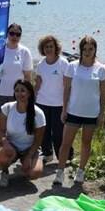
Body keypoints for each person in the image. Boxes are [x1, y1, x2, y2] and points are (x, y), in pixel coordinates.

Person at [53, 36, 105, 186]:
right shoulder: (72, 66)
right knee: (65, 143)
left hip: (91, 112)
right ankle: (60, 172)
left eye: (91, 49)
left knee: (86, 142)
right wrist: (64, 109)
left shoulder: (101, 69)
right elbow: (67, 90)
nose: (88, 52)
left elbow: (103, 94)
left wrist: (102, 114)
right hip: (73, 111)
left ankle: (81, 171)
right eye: (85, 49)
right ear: (81, 50)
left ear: (95, 50)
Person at [0, 23, 33, 145]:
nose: (14, 36)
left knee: (12, 124)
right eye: (12, 33)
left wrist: (27, 95)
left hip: (16, 95)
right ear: (7, 34)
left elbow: (27, 76)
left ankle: (9, 149)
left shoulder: (24, 52)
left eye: (18, 34)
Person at [0, 80, 46, 187]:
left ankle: (26, 168)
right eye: (16, 91)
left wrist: (29, 156)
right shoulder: (7, 108)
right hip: (11, 145)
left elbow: (38, 139)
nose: (19, 93)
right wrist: (5, 143)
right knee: (2, 156)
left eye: (23, 91)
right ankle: (4, 172)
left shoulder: (38, 113)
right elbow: (0, 131)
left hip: (30, 148)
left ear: (29, 93)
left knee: (34, 173)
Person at [34, 35, 71, 164]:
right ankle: (48, 154)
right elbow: (38, 84)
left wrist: (67, 105)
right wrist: (33, 100)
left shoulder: (63, 63)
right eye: (46, 47)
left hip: (59, 104)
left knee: (59, 132)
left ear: (56, 48)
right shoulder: (41, 64)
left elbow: (67, 85)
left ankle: (66, 156)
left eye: (51, 46)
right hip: (42, 102)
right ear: (42, 49)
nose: (49, 49)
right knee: (43, 131)